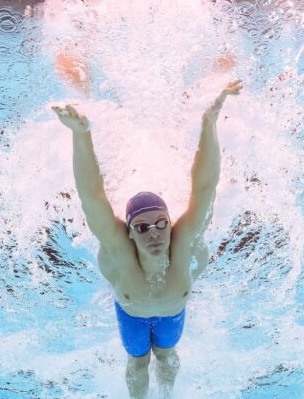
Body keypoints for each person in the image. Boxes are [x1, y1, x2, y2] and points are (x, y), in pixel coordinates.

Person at [52, 75, 242, 398]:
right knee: (138, 364)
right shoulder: (119, 254)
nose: (153, 232)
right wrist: (81, 136)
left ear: (171, 222)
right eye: (141, 227)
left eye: (160, 223)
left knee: (166, 358)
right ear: (129, 232)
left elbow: (205, 187)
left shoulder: (184, 246)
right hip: (133, 318)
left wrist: (210, 122)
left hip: (171, 317)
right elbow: (92, 197)